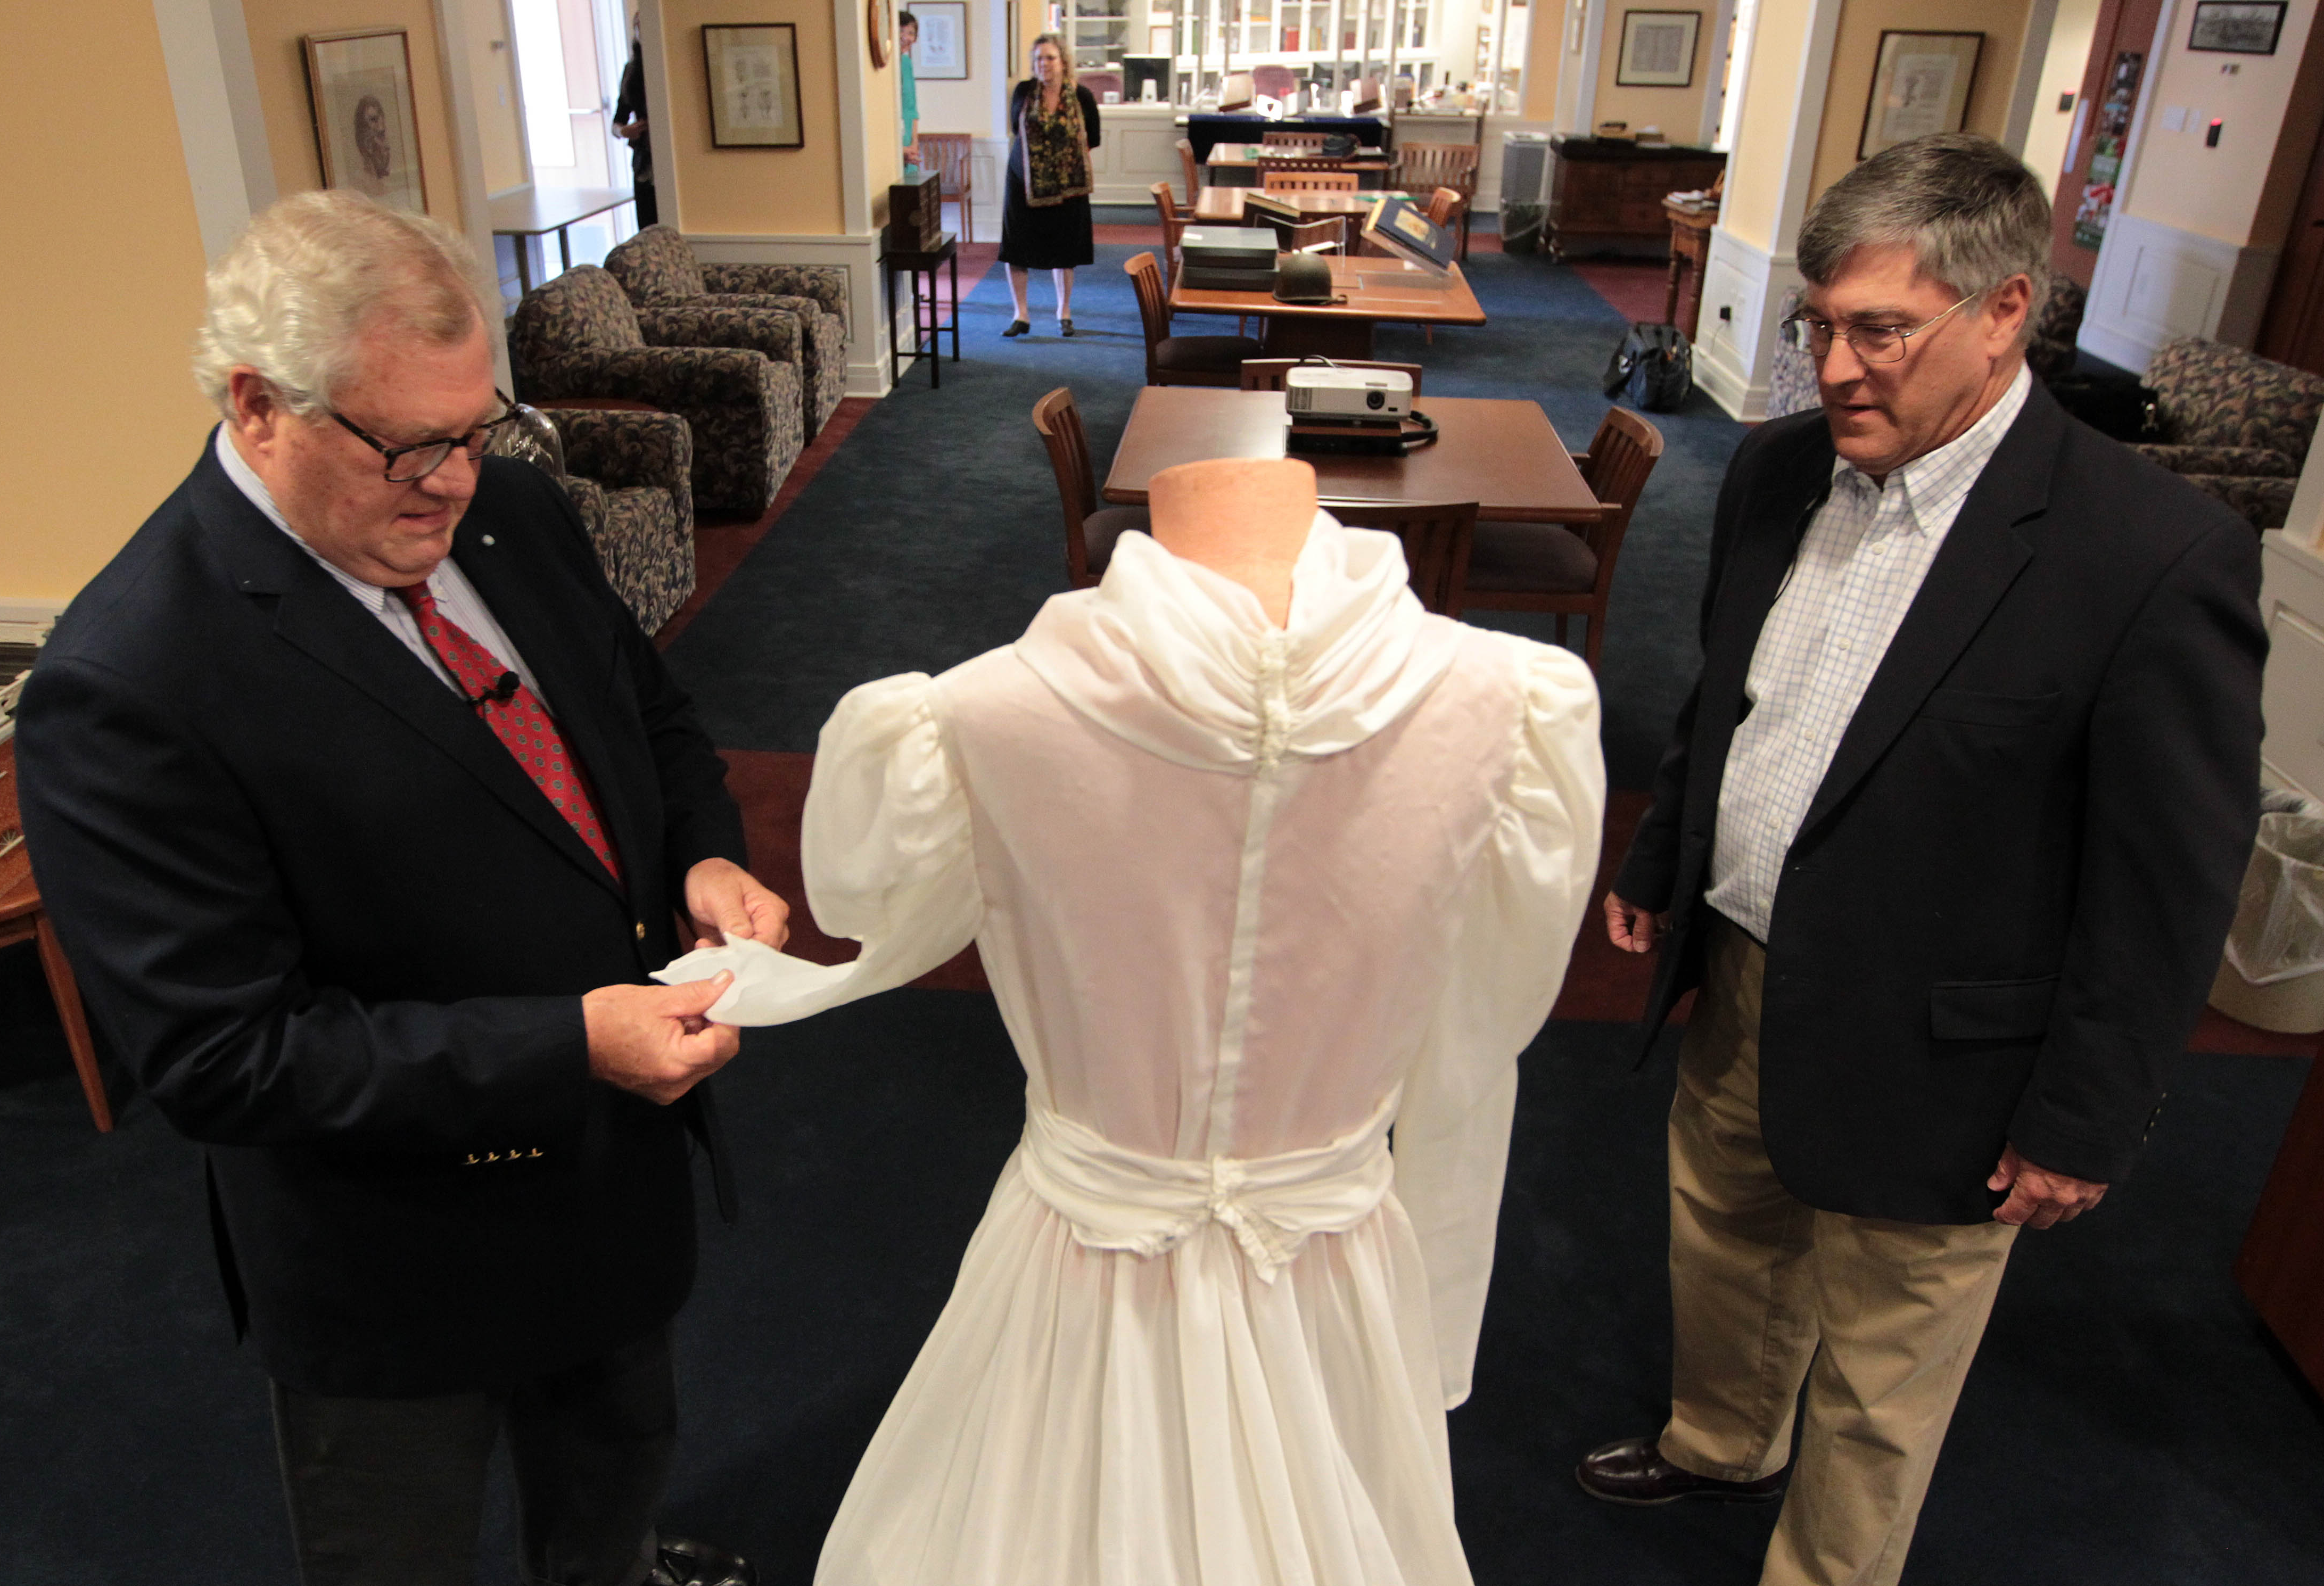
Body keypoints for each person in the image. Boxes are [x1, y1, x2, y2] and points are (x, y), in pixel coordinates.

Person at [15, 190, 787, 1586]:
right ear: (257, 405)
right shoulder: (127, 680)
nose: (450, 483)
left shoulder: (523, 513)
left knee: (611, 1488)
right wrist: (573, 1042)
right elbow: (220, 1056)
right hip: (396, 1261)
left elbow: (652, 719)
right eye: (404, 446)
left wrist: (702, 852)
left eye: (475, 430)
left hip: (612, 1189)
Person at [655, 457, 1604, 1584]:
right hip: (1314, 1257)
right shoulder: (1507, 700)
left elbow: (867, 903)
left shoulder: (981, 710)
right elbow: (1491, 1009)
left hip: (1097, 1255)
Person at [1578, 134, 2264, 1585]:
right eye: (1816, 325)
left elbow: (2167, 874)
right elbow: (1726, 696)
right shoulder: (1773, 474)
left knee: (1884, 1364)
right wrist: (1659, 856)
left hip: (1947, 1041)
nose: (1833, 368)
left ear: (2003, 309)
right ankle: (1718, 1439)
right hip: (1747, 962)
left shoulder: (2149, 553)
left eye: (1879, 330)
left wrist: (2088, 1112)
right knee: (1721, 1234)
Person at [999, 32, 1098, 337]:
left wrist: (1061, 166)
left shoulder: (1082, 96)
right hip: (1023, 183)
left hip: (1068, 187)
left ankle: (1064, 312)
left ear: (1063, 61)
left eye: (1050, 57)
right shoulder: (1024, 92)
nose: (1044, 64)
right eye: (1039, 58)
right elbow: (1014, 129)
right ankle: (1021, 314)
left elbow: (1093, 138)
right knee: (1017, 247)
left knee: (1065, 248)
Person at [614, 27, 656, 227]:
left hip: (671, 159)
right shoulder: (632, 71)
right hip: (644, 164)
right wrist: (625, 132)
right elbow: (617, 122)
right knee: (647, 226)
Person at [899, 10, 920, 177]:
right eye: (901, 31)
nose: (907, 38)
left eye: (911, 33)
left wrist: (914, 145)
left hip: (908, 146)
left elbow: (912, 108)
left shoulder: (906, 63)